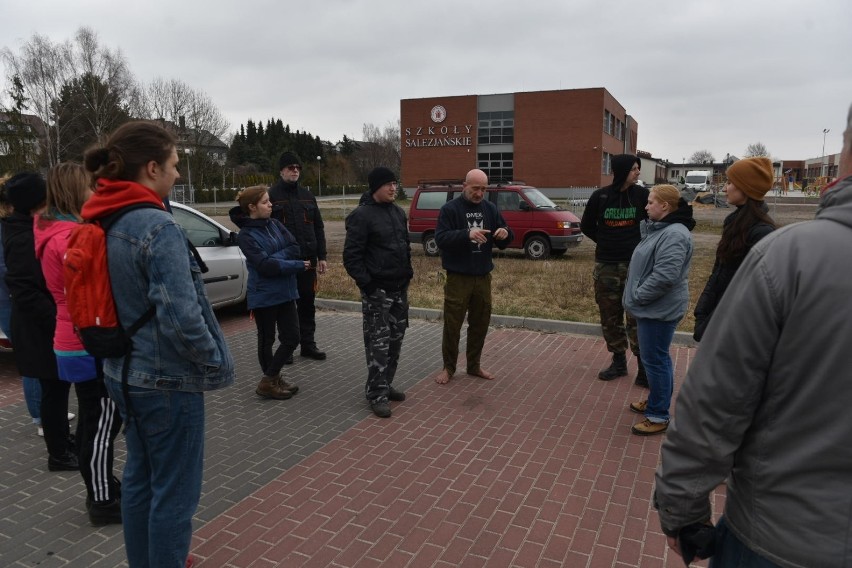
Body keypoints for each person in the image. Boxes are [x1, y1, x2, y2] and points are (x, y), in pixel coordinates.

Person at [654, 104, 852, 568]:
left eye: (730, 182)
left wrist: (681, 510)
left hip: (779, 538)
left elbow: (719, 399)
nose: (724, 187)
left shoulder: (781, 248)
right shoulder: (745, 228)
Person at [82, 121, 234, 567]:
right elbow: (182, 315)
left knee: (141, 479)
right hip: (167, 380)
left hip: (121, 371)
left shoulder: (103, 215)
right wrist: (211, 360)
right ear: (151, 168)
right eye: (173, 165)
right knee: (176, 496)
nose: (178, 174)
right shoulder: (157, 226)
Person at [34, 162, 124, 525]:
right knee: (102, 422)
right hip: (87, 340)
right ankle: (101, 499)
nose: (96, 192)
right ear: (76, 190)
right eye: (91, 186)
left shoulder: (51, 229)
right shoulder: (69, 237)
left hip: (72, 338)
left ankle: (100, 484)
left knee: (92, 420)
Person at [2, 172, 78, 470]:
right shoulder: (21, 236)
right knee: (53, 389)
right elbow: (25, 289)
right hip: (39, 327)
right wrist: (59, 320)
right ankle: (58, 454)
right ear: (39, 199)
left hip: (44, 322)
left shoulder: (28, 226)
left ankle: (62, 441)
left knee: (57, 388)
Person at [623, 185, 694, 436]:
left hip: (657, 309)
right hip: (653, 307)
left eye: (651, 201)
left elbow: (665, 276)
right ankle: (656, 402)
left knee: (655, 360)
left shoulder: (674, 234)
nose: (646, 206)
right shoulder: (663, 229)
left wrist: (638, 296)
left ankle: (658, 414)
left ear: (665, 206)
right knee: (655, 358)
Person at [343, 167, 414, 418]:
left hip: (399, 290)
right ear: (376, 188)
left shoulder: (397, 212)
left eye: (395, 183)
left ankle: (386, 383)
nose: (394, 188)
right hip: (378, 293)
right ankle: (376, 393)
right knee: (378, 345)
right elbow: (351, 258)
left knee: (395, 341)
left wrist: (408, 275)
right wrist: (369, 287)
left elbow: (403, 247)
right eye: (388, 184)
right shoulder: (361, 216)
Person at [433, 169, 513, 385]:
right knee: (453, 324)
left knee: (480, 323)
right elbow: (440, 238)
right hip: (459, 277)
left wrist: (505, 232)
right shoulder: (450, 209)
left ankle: (474, 365)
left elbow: (505, 237)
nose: (480, 193)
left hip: (483, 276)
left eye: (484, 189)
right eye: (476, 188)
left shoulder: (490, 208)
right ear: (464, 185)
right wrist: (466, 234)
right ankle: (448, 368)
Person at [229, 185, 309, 400]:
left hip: (286, 290)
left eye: (269, 201)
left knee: (292, 337)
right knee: (267, 339)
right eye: (265, 202)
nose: (270, 205)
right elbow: (265, 266)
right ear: (252, 207)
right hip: (264, 294)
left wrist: (275, 257)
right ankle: (271, 381)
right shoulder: (245, 236)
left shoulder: (274, 224)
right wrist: (295, 265)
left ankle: (270, 377)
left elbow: (295, 247)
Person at [580, 154, 650, 386]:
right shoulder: (600, 196)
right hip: (607, 265)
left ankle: (643, 367)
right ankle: (619, 362)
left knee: (636, 318)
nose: (638, 172)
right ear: (621, 171)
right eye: (633, 169)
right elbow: (586, 225)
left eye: (638, 168)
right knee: (610, 316)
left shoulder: (642, 195)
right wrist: (605, 241)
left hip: (635, 267)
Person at [693, 157, 776, 341]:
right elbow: (718, 272)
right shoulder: (733, 222)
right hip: (717, 317)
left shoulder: (761, 232)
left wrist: (712, 323)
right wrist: (703, 311)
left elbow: (748, 292)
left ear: (746, 188)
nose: (724, 188)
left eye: (730, 182)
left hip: (734, 328)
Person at [268, 151, 328, 361]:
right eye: (290, 168)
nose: (295, 171)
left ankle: (308, 345)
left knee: (307, 303)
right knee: (286, 305)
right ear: (281, 170)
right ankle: (288, 348)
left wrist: (322, 256)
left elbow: (318, 227)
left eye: (298, 168)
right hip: (284, 261)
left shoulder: (307, 196)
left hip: (308, 261)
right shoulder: (271, 196)